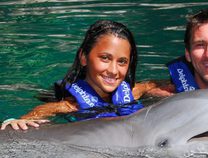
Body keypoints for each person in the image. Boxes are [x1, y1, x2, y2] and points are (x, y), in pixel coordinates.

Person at [1, 20, 146, 130]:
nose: (114, 70)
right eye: (105, 58)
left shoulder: (133, 92)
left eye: (122, 61)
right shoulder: (70, 106)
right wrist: (17, 120)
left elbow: (151, 86)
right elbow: (37, 114)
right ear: (84, 58)